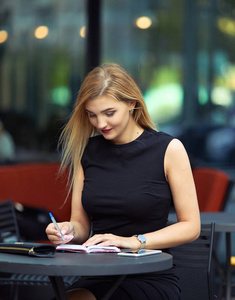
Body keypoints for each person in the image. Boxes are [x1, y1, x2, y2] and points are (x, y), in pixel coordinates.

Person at [45, 63, 201, 300]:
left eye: (109, 113)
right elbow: (81, 226)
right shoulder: (86, 152)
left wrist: (133, 242)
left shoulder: (168, 149)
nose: (100, 124)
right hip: (98, 272)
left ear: (132, 103)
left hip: (148, 275)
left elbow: (191, 226)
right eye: (92, 115)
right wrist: (66, 230)